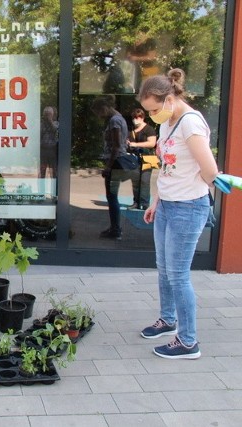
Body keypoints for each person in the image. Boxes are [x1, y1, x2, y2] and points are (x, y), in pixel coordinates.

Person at [138, 68, 219, 359]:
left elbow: (210, 169)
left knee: (178, 274)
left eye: (154, 109)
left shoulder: (191, 124)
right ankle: (168, 320)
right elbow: (164, 167)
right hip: (167, 205)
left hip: (188, 207)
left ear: (169, 98)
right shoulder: (166, 124)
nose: (151, 116)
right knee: (164, 267)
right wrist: (155, 200)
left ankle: (188, 342)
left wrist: (212, 181)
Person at [91, 95, 135, 240]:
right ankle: (114, 228)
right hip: (116, 160)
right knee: (112, 196)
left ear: (104, 108)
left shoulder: (114, 121)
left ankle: (115, 229)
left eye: (99, 112)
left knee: (112, 197)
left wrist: (108, 167)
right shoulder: (119, 117)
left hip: (115, 162)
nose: (99, 116)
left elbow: (116, 146)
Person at [127, 108, 157, 210]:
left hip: (147, 158)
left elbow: (152, 143)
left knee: (145, 181)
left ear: (142, 117)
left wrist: (136, 144)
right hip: (134, 159)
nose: (136, 119)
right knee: (135, 181)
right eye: (134, 118)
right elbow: (129, 144)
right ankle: (136, 202)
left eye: (138, 117)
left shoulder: (149, 129)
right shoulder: (132, 131)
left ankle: (145, 204)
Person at [38, 106, 58, 198]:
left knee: (53, 173)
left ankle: (54, 194)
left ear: (53, 114)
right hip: (43, 151)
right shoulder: (41, 124)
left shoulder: (56, 123)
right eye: (46, 114)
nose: (47, 116)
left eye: (49, 114)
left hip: (52, 151)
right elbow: (38, 135)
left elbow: (55, 130)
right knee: (42, 173)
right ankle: (41, 194)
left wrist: (50, 121)